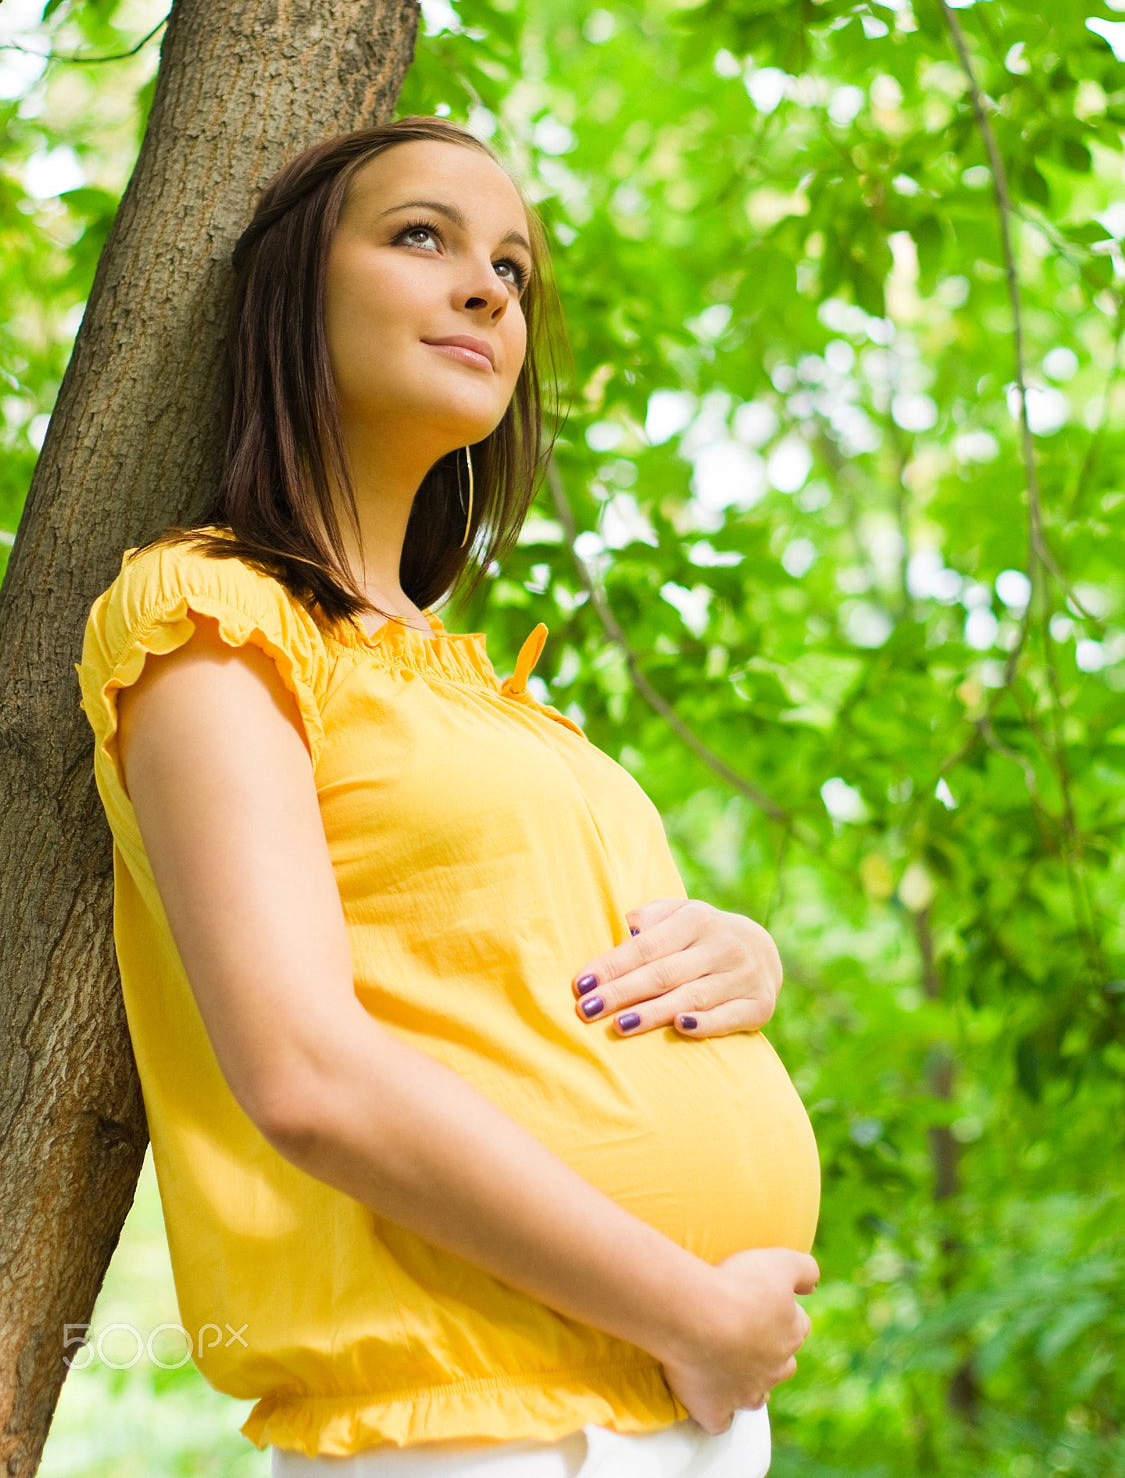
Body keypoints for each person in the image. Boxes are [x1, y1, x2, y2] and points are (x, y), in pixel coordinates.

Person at [75, 116, 821, 1478]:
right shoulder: (210, 614)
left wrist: (742, 956)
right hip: (470, 1428)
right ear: (295, 296)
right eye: (422, 237)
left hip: (673, 1419)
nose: (488, 287)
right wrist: (693, 1311)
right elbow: (303, 1075)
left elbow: (513, 970)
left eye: (513, 269)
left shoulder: (484, 686)